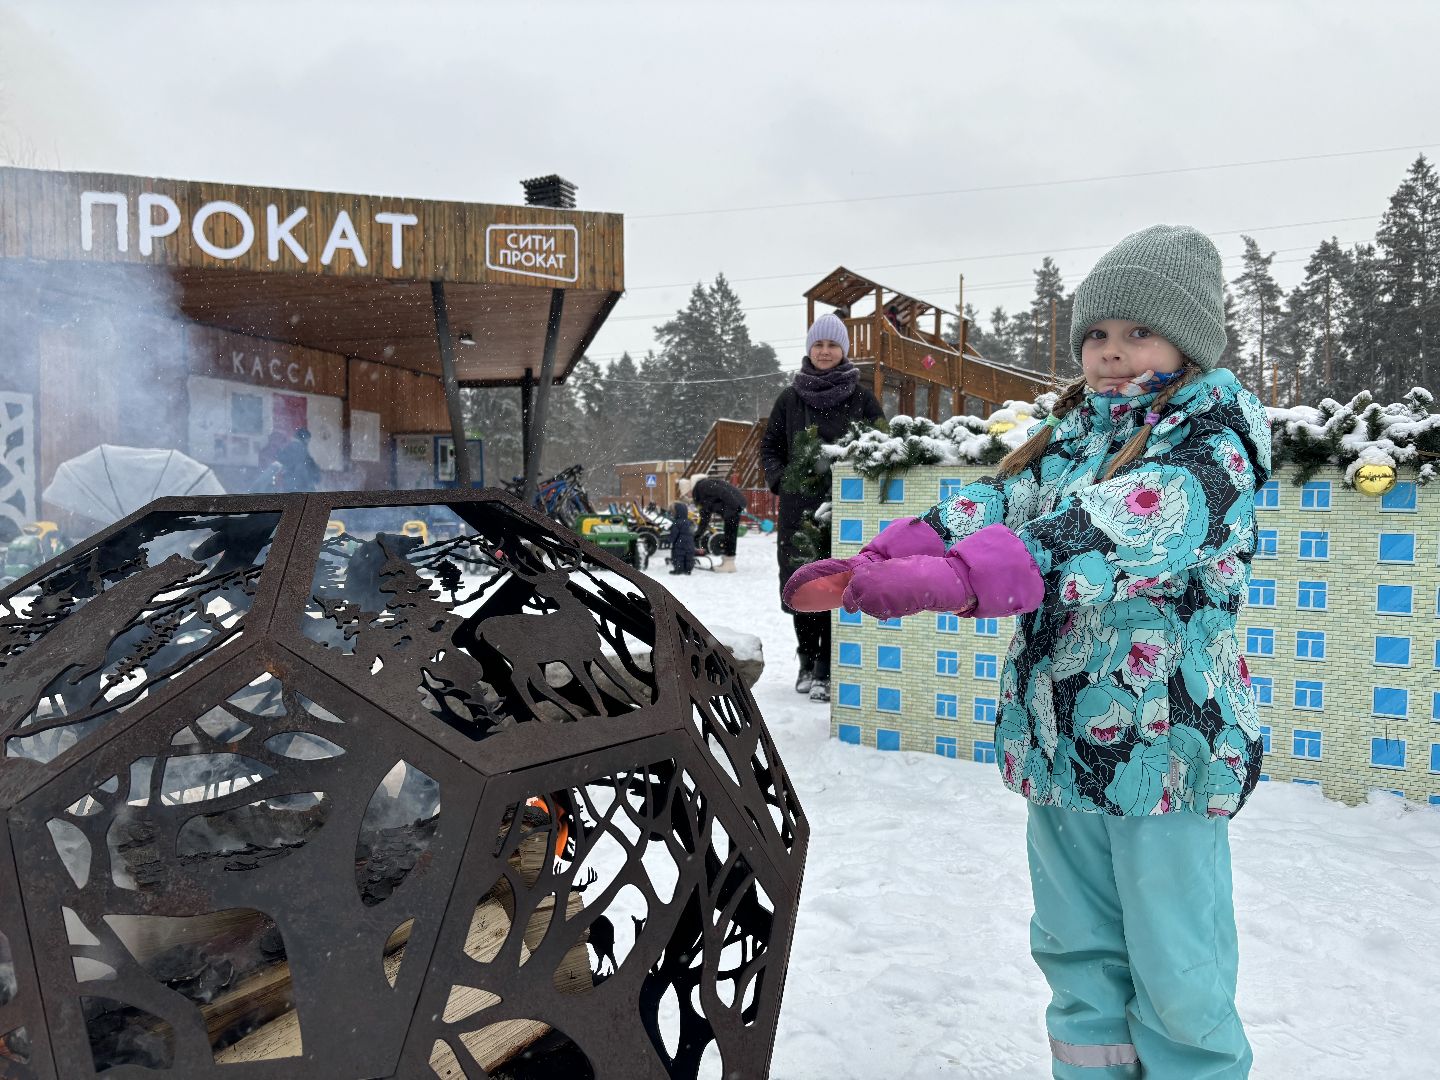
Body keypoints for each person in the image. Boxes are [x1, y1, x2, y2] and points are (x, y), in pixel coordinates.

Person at [785, 226, 1266, 1077]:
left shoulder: (1212, 444)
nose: (1111, 354)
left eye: (1136, 334)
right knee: (1076, 954)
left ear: (1190, 342)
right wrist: (889, 555)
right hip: (1063, 739)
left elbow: (1130, 521)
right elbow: (998, 502)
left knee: (1176, 970)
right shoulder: (1072, 433)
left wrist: (965, 578)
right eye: (1095, 336)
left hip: (1168, 751)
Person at [761, 312, 884, 703]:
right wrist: (782, 480)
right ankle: (805, 658)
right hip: (800, 510)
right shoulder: (790, 398)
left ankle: (827, 667)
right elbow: (770, 448)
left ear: (844, 350)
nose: (825, 351)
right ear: (809, 349)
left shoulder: (862, 397)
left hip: (848, 509)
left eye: (832, 345)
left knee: (841, 582)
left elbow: (882, 445)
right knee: (803, 582)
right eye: (819, 344)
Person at [679, 474, 746, 572]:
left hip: (733, 504)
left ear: (689, 490)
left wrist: (733, 505)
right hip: (732, 505)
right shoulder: (700, 496)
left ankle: (729, 564)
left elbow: (722, 491)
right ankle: (727, 563)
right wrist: (697, 536)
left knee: (730, 534)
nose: (687, 497)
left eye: (686, 494)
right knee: (729, 534)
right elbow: (705, 518)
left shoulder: (703, 486)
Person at [272, 427, 322, 492]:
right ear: (304, 438)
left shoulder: (293, 447)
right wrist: (315, 476)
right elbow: (307, 466)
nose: (308, 441)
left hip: (292, 484)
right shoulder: (299, 448)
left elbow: (281, 460)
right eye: (308, 439)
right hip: (300, 485)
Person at [668, 500, 696, 575]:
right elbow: (692, 532)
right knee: (688, 556)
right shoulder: (690, 522)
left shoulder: (677, 523)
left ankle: (678, 570)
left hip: (679, 544)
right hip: (690, 543)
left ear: (677, 512)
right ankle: (688, 569)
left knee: (678, 556)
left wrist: (670, 540)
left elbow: (674, 534)